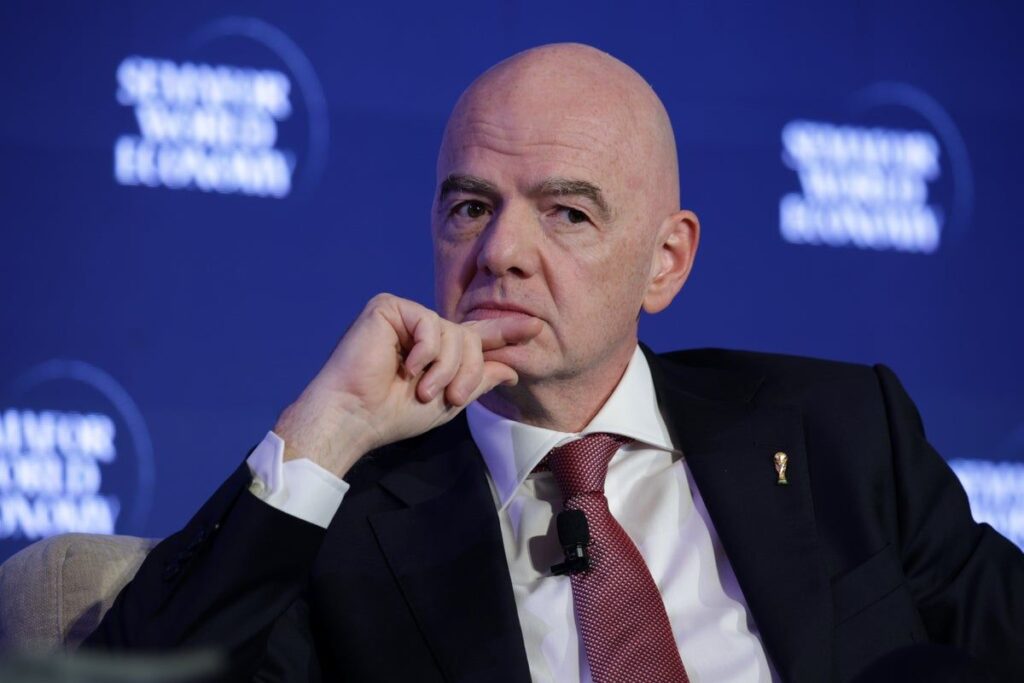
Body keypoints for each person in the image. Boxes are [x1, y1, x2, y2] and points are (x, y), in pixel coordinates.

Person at [85, 43, 1024, 682]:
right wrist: (329, 427)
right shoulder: (347, 518)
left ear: (667, 260)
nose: (500, 252)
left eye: (566, 212)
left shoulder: (841, 432)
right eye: (469, 208)